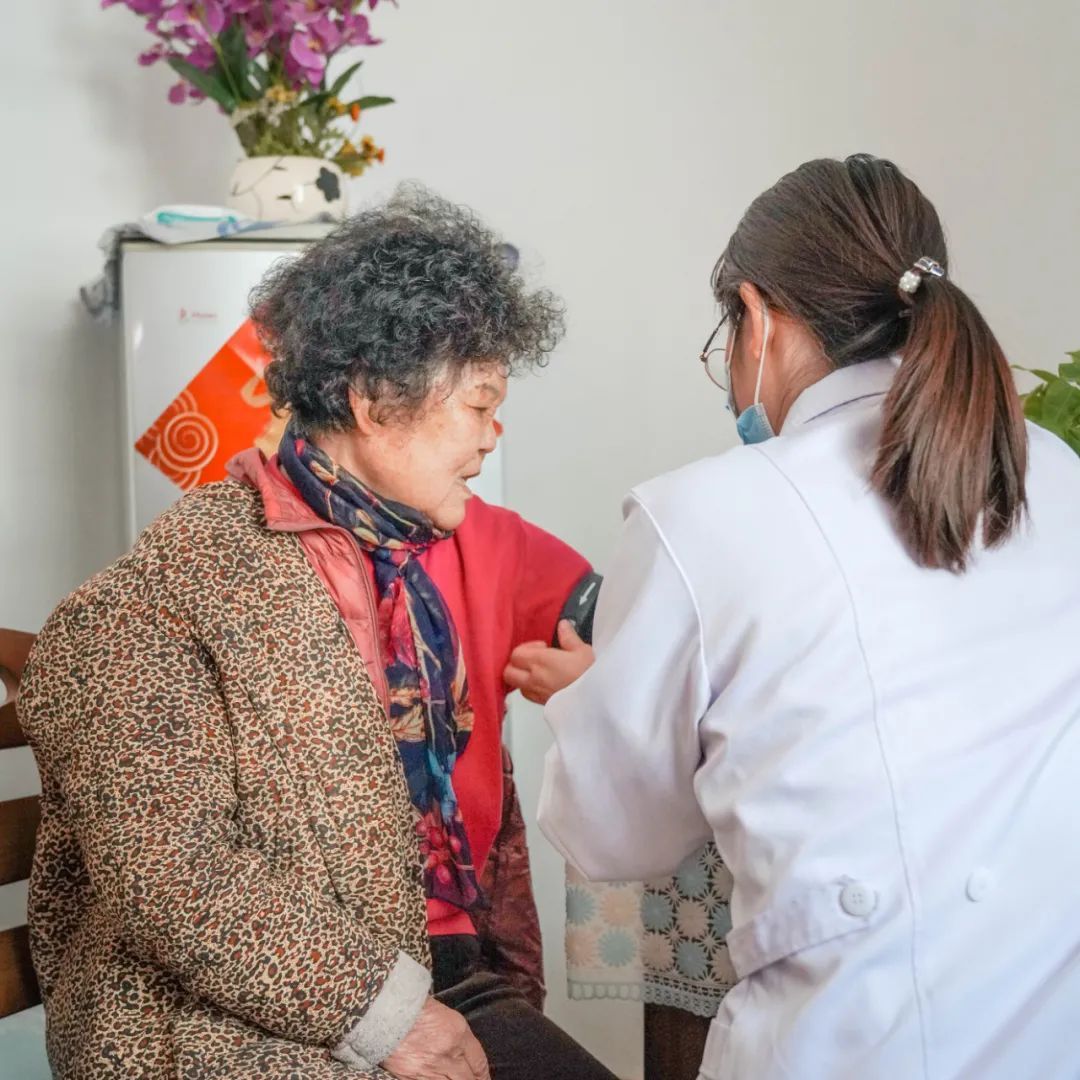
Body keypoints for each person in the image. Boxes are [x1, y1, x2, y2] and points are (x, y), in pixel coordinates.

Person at [19, 187, 616, 1080]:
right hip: (225, 1012)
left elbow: (630, 615)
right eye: (479, 404)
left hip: (440, 969)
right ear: (373, 400)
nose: (495, 434)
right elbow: (173, 875)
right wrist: (386, 1017)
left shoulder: (437, 551)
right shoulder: (157, 600)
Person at [515, 155, 1080, 1079]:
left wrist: (589, 699)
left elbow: (613, 835)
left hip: (848, 1047)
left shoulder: (699, 514)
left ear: (759, 317)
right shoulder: (1054, 471)